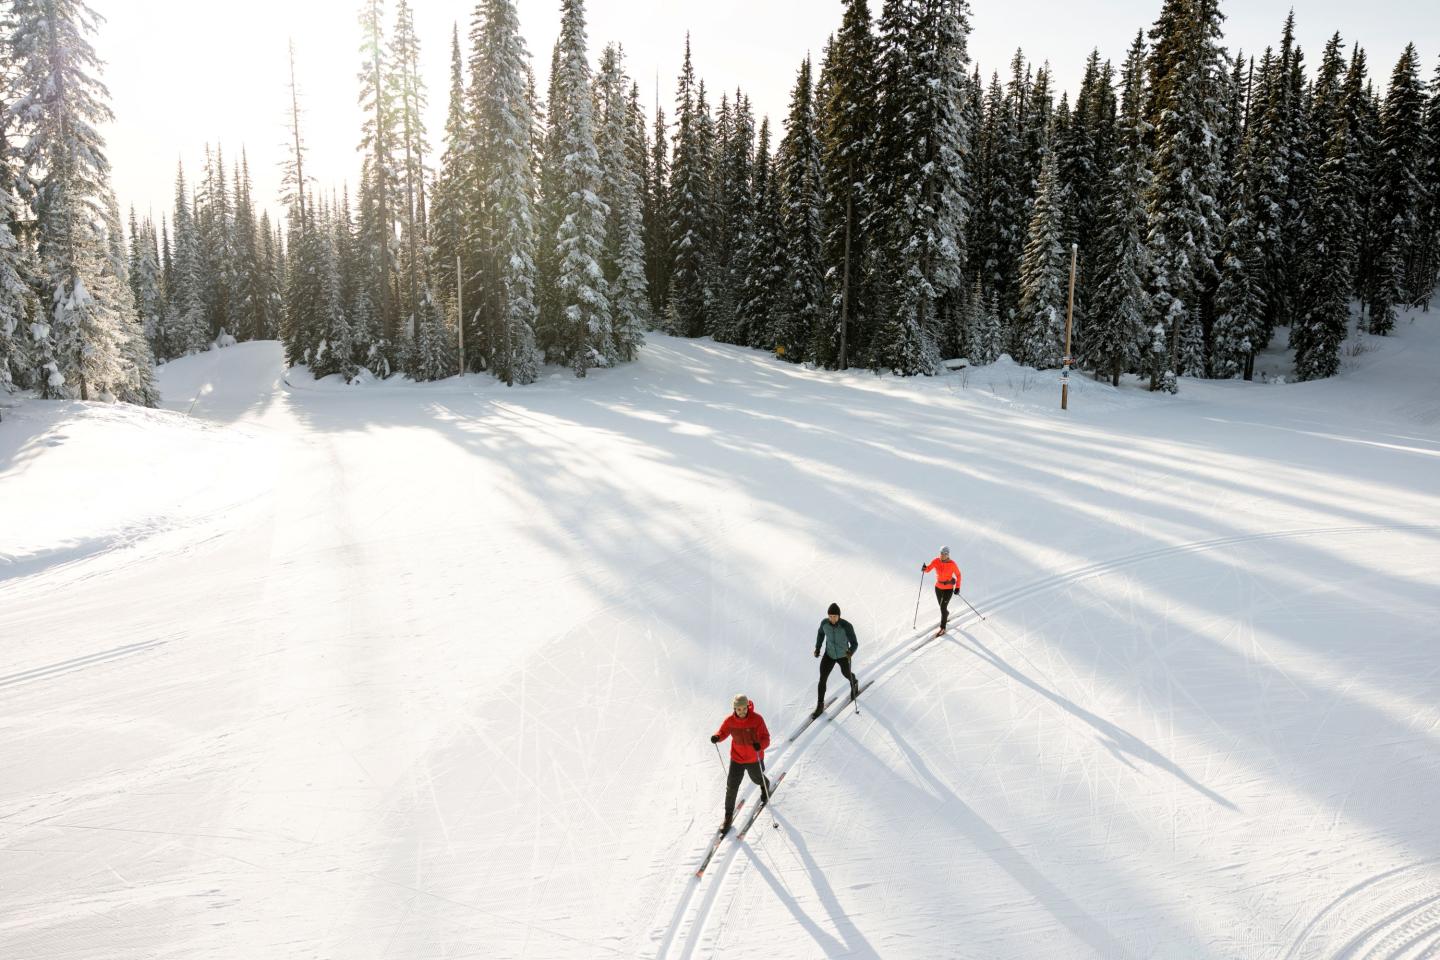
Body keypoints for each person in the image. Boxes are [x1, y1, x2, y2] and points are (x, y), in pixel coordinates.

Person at [710, 694, 773, 834]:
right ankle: (727, 817)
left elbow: (766, 738)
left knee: (757, 778)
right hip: (737, 759)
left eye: (744, 709)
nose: (741, 712)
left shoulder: (757, 719)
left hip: (753, 758)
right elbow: (723, 731)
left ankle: (764, 784)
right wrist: (717, 737)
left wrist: (760, 745)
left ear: (747, 707)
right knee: (731, 787)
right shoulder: (730, 721)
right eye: (738, 709)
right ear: (734, 709)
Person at [812, 602, 860, 718]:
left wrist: (850, 652)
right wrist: (818, 648)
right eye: (830, 616)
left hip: (843, 655)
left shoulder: (846, 626)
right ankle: (820, 705)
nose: (832, 619)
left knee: (846, 674)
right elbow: (820, 634)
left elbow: (854, 643)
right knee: (822, 678)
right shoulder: (824, 624)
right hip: (829, 655)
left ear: (839, 616)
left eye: (835, 616)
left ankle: (854, 682)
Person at [922, 546, 962, 637]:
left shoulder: (952, 564)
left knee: (943, 607)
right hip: (938, 588)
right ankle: (946, 614)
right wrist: (925, 568)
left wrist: (957, 587)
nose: (942, 555)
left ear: (948, 555)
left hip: (948, 589)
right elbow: (928, 569)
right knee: (942, 607)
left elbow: (958, 575)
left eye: (944, 554)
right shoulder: (936, 561)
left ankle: (943, 628)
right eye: (941, 553)